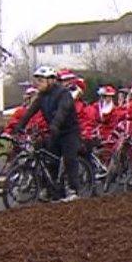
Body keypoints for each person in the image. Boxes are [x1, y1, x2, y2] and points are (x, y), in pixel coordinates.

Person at [14, 66, 82, 202]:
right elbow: (30, 111)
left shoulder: (63, 94)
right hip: (55, 131)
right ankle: (52, 190)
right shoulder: (41, 96)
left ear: (51, 81)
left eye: (40, 80)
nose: (37, 83)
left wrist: (55, 125)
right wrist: (18, 127)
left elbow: (62, 112)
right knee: (49, 159)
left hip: (69, 131)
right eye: (37, 80)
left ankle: (73, 190)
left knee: (69, 159)